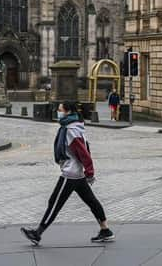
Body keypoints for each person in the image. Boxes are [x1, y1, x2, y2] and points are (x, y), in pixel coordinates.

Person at [20, 101, 114, 245]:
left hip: (70, 173)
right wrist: (86, 172)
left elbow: (84, 153)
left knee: (54, 203)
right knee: (91, 201)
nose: (58, 112)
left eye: (60, 110)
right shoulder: (75, 126)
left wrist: (90, 171)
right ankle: (105, 230)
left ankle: (38, 233)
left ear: (68, 111)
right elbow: (85, 148)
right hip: (77, 173)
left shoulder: (71, 130)